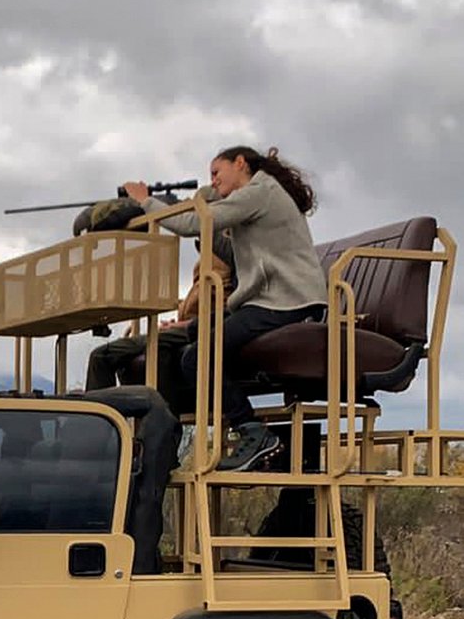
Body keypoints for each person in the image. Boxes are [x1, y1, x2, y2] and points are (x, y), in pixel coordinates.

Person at [122, 145, 327, 472]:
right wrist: (201, 197)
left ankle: (253, 431)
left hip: (290, 302)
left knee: (198, 356)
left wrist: (146, 200)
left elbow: (195, 223)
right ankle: (172, 438)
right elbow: (214, 230)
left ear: (240, 163)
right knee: (194, 339)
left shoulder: (259, 192)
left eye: (216, 173)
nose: (213, 181)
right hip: (272, 300)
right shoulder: (255, 197)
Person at [85, 250, 234, 416]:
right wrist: (179, 318)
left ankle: (162, 418)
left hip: (205, 327)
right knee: (104, 357)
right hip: (189, 326)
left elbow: (229, 309)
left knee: (106, 355)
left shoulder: (230, 251)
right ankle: (106, 421)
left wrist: (182, 325)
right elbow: (201, 302)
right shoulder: (210, 256)